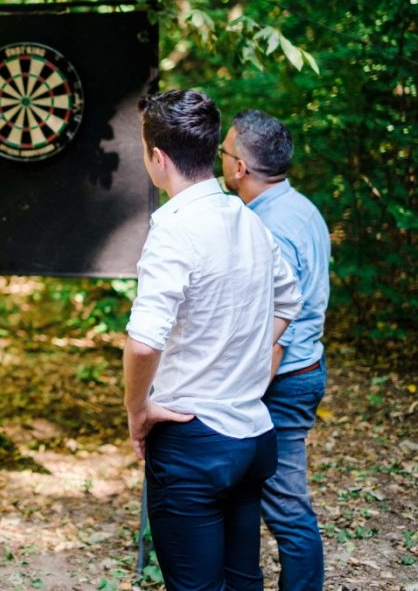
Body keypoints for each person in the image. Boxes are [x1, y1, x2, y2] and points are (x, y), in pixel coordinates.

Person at [122, 90, 302, 590]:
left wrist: (137, 409)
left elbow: (142, 342)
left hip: (193, 441)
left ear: (158, 158)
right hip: (251, 436)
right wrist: (244, 362)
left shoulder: (174, 228)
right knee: (243, 581)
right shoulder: (248, 220)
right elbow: (291, 300)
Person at [222, 109, 331, 590]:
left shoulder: (271, 229)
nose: (220, 161)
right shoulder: (298, 207)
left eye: (223, 153)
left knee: (286, 505)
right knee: (251, 493)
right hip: (298, 371)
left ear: (240, 168)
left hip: (282, 380)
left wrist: (245, 390)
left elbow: (278, 327)